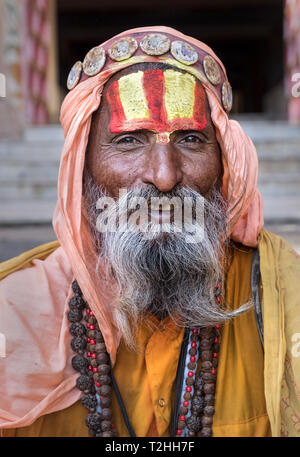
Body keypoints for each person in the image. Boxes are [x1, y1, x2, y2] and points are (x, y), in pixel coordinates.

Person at [0, 26, 300, 438]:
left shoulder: (282, 291)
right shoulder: (14, 310)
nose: (163, 176)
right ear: (81, 164)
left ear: (225, 161)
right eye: (128, 141)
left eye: (192, 139)